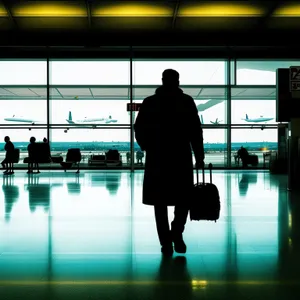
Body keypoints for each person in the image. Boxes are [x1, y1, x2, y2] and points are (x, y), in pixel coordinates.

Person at [134, 69, 204, 256]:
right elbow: (196, 131)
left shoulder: (150, 102)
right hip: (180, 156)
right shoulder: (186, 101)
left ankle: (165, 241)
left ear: (163, 80)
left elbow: (139, 128)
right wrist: (199, 156)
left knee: (160, 202)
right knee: (183, 199)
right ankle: (177, 233)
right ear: (178, 81)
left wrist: (147, 146)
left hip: (157, 157)